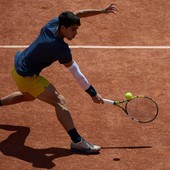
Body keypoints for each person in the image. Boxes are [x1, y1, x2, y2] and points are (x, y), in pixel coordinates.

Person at [0, 3, 118, 154]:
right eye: (73, 29)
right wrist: (93, 93)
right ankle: (77, 141)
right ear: (63, 28)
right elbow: (77, 74)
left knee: (28, 96)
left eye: (77, 29)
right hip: (27, 77)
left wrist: (101, 11)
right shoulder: (59, 48)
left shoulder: (53, 24)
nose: (76, 33)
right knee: (59, 101)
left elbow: (79, 13)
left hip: (16, 69)